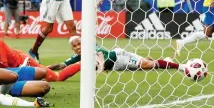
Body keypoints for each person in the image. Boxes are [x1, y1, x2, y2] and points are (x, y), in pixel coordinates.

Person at [0, 21, 81, 82]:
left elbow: (3, 67)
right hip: (16, 69)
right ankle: (48, 67)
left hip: (23, 62)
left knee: (57, 78)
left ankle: (83, 63)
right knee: (42, 72)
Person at [48, 36, 186, 73]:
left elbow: (99, 55)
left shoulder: (91, 47)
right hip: (117, 67)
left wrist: (101, 65)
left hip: (120, 57)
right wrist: (43, 70)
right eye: (75, 46)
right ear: (72, 49)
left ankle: (181, 67)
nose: (78, 47)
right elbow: (61, 65)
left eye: (79, 43)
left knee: (149, 65)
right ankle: (165, 60)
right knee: (149, 64)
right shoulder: (77, 57)